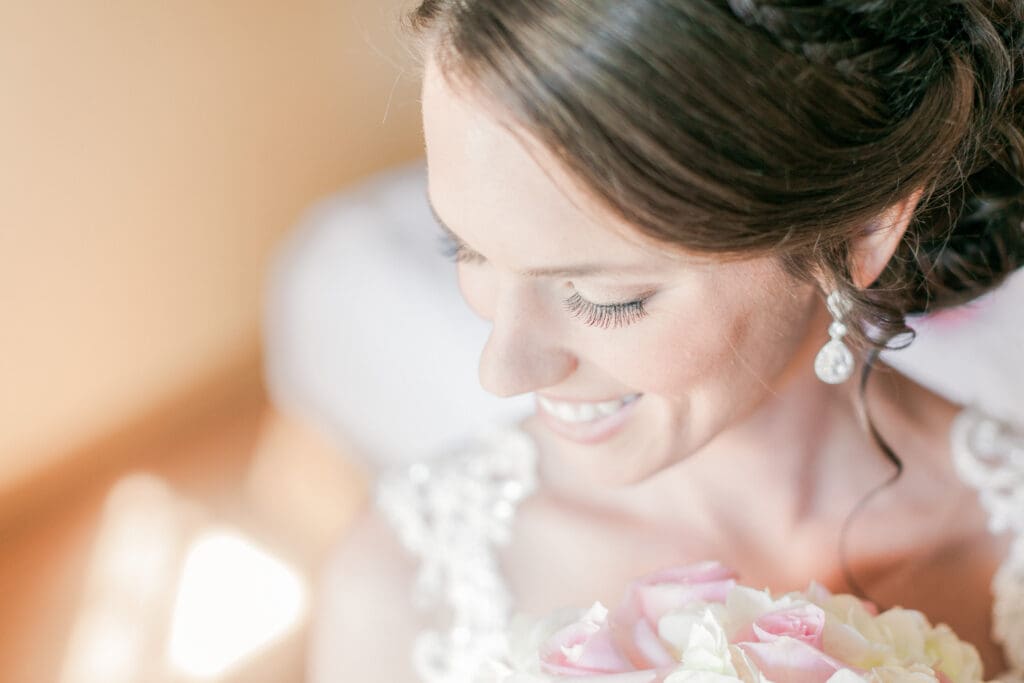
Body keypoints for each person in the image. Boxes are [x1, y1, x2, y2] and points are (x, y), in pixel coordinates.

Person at [309, 1, 1024, 681]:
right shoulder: (406, 591)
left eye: (605, 297)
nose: (502, 370)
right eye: (466, 248)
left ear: (863, 231)